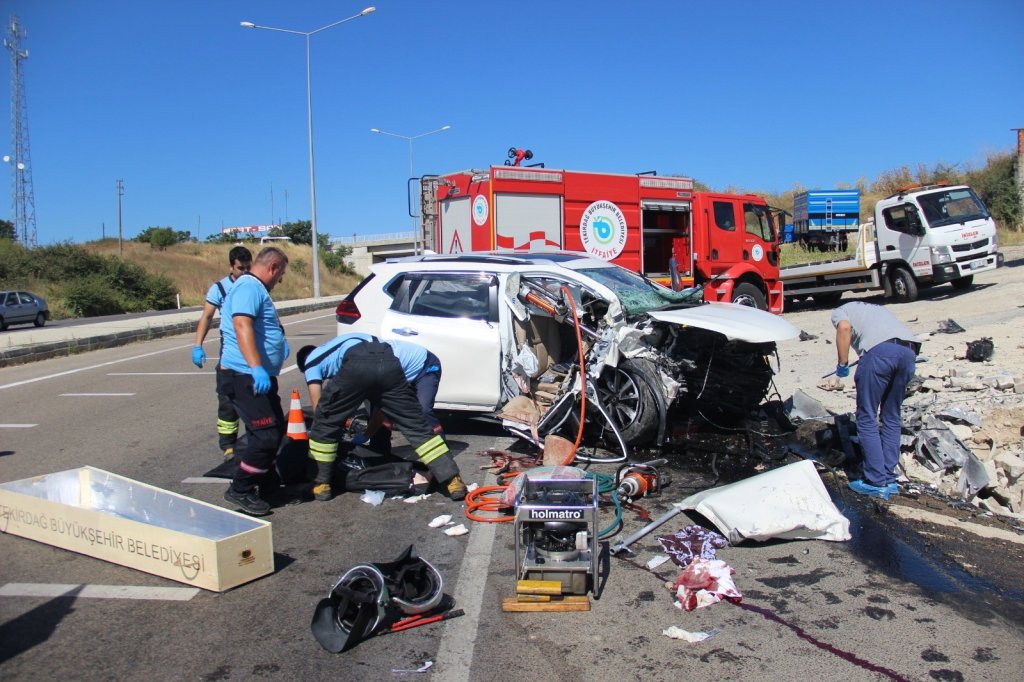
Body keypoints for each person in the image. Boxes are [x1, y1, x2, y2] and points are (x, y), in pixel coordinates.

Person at [295, 334, 466, 503]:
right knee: (417, 426)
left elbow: (320, 410)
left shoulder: (312, 361)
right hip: (389, 362)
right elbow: (379, 406)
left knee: (323, 424)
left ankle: (321, 484)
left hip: (357, 364)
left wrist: (335, 419)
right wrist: (367, 432)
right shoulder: (345, 342)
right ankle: (453, 481)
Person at [218, 247, 290, 515]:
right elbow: (242, 325)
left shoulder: (256, 289)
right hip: (244, 376)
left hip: (258, 377)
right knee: (265, 437)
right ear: (272, 267)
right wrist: (256, 366)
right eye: (280, 274)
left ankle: (268, 485)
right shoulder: (249, 287)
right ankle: (240, 490)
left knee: (275, 430)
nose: (279, 280)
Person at [831, 301, 919, 500]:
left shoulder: (840, 311)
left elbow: (844, 328)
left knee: (867, 416)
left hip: (879, 355)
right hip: (908, 352)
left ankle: (876, 481)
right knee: (891, 416)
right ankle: (889, 477)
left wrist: (842, 363)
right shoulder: (877, 309)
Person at [191, 245, 253, 460]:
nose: (244, 272)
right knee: (227, 400)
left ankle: (256, 440)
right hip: (230, 353)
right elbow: (206, 317)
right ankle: (228, 445)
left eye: (248, 267)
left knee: (256, 399)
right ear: (231, 266)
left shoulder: (254, 285)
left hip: (253, 351)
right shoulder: (220, 288)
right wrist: (198, 345)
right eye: (240, 268)